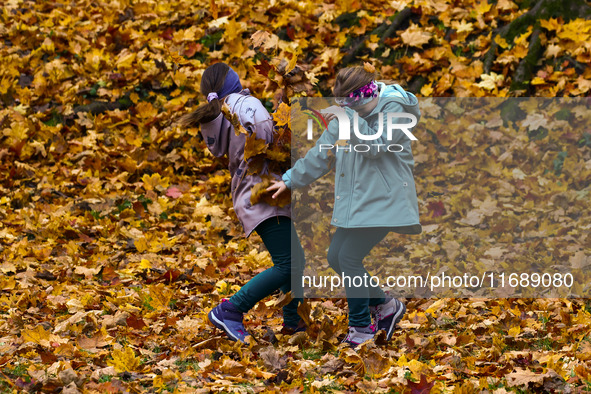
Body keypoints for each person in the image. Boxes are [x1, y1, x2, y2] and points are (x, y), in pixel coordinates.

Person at [267, 66, 422, 347]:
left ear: (366, 96)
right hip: (362, 200)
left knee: (348, 258)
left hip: (386, 201)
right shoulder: (351, 115)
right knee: (336, 256)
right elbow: (323, 153)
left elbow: (376, 145)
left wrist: (349, 116)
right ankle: (385, 305)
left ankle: (361, 328)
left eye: (353, 105)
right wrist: (290, 181)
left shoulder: (395, 108)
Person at [181, 62, 306, 343]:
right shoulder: (246, 104)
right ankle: (231, 309)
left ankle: (293, 323)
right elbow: (267, 135)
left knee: (292, 258)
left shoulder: (221, 115)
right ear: (234, 82)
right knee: (288, 263)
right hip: (265, 190)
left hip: (251, 191)